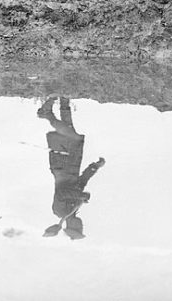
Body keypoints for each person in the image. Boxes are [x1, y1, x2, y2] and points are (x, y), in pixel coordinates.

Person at [38, 97, 105, 240]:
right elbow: (82, 181)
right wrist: (95, 167)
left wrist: (80, 196)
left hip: (62, 165)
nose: (81, 225)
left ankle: (47, 114)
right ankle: (64, 102)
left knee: (73, 137)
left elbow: (62, 193)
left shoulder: (59, 211)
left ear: (72, 226)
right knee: (71, 132)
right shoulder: (74, 207)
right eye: (82, 227)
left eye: (78, 227)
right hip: (72, 165)